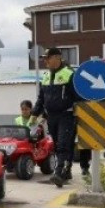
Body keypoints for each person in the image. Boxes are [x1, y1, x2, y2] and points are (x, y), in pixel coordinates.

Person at [30, 47, 80, 187]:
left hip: (67, 115)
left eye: (47, 58)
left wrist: (79, 109)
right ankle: (66, 170)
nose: (45, 60)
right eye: (44, 58)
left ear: (57, 58)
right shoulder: (45, 76)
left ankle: (58, 173)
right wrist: (35, 113)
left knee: (64, 144)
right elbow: (41, 98)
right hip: (51, 116)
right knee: (58, 145)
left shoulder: (70, 74)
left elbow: (79, 95)